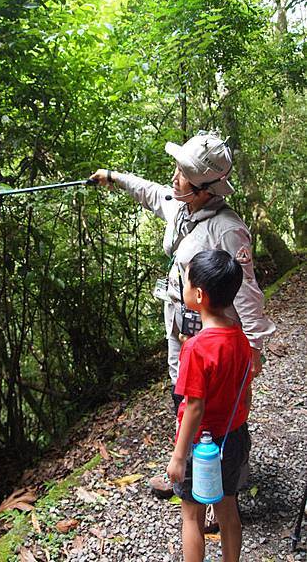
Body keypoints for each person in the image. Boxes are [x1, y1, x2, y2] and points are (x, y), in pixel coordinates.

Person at [90, 130, 275, 502]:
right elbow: (150, 192)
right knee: (183, 394)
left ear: (205, 188)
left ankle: (224, 485)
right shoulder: (181, 206)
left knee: (220, 407)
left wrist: (254, 347)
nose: (174, 178)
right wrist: (113, 177)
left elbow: (249, 291)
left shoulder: (228, 229)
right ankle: (189, 472)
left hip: (214, 332)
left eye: (182, 174)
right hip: (181, 323)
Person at [166, 249, 253, 562]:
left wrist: (178, 457)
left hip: (202, 447)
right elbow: (245, 392)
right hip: (234, 437)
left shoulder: (196, 348)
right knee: (228, 508)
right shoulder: (240, 338)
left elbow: (194, 407)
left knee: (192, 516)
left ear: (198, 295)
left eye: (187, 284)